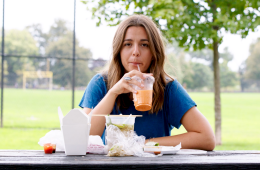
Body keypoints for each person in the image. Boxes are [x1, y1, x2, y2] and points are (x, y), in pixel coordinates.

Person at [79, 15, 215, 151]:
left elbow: (206, 138)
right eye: (128, 44)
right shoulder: (101, 83)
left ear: (154, 52)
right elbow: (82, 138)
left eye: (144, 45)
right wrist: (113, 93)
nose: (136, 52)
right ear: (118, 50)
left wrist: (142, 144)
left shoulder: (167, 88)